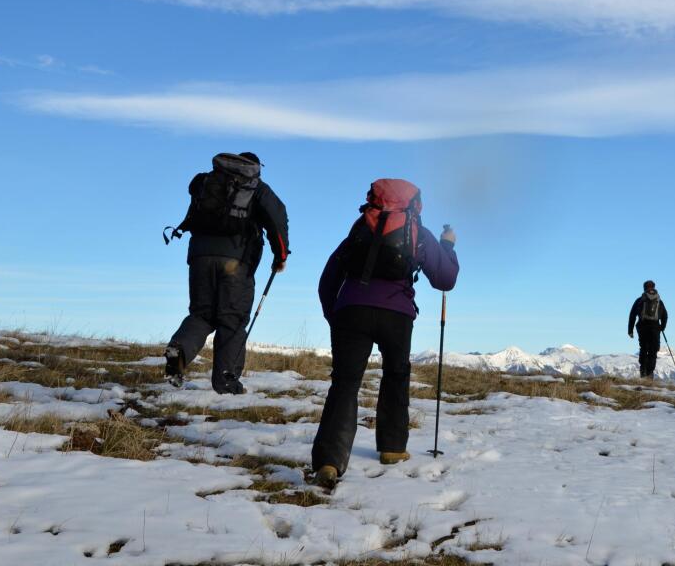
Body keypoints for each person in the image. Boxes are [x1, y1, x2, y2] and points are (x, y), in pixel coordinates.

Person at [311, 178, 458, 488]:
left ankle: (329, 461)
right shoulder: (417, 232)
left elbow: (329, 276)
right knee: (396, 374)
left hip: (351, 311)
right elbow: (445, 279)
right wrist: (448, 246)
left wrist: (333, 314)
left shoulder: (361, 226)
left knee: (345, 383)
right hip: (397, 314)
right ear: (414, 204)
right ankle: (392, 447)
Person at [164, 152, 289, 394]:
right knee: (232, 320)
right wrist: (280, 256)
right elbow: (278, 219)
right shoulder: (258, 188)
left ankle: (176, 357)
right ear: (254, 167)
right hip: (235, 261)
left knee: (201, 315)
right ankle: (226, 382)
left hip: (199, 256)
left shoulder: (207, 182)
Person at [628, 280, 668, 378]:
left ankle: (643, 371)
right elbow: (665, 316)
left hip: (642, 327)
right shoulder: (659, 301)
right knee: (653, 351)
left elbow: (632, 315)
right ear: (654, 287)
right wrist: (662, 327)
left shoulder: (639, 300)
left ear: (644, 288)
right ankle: (650, 374)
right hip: (655, 328)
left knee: (644, 348)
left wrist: (630, 330)